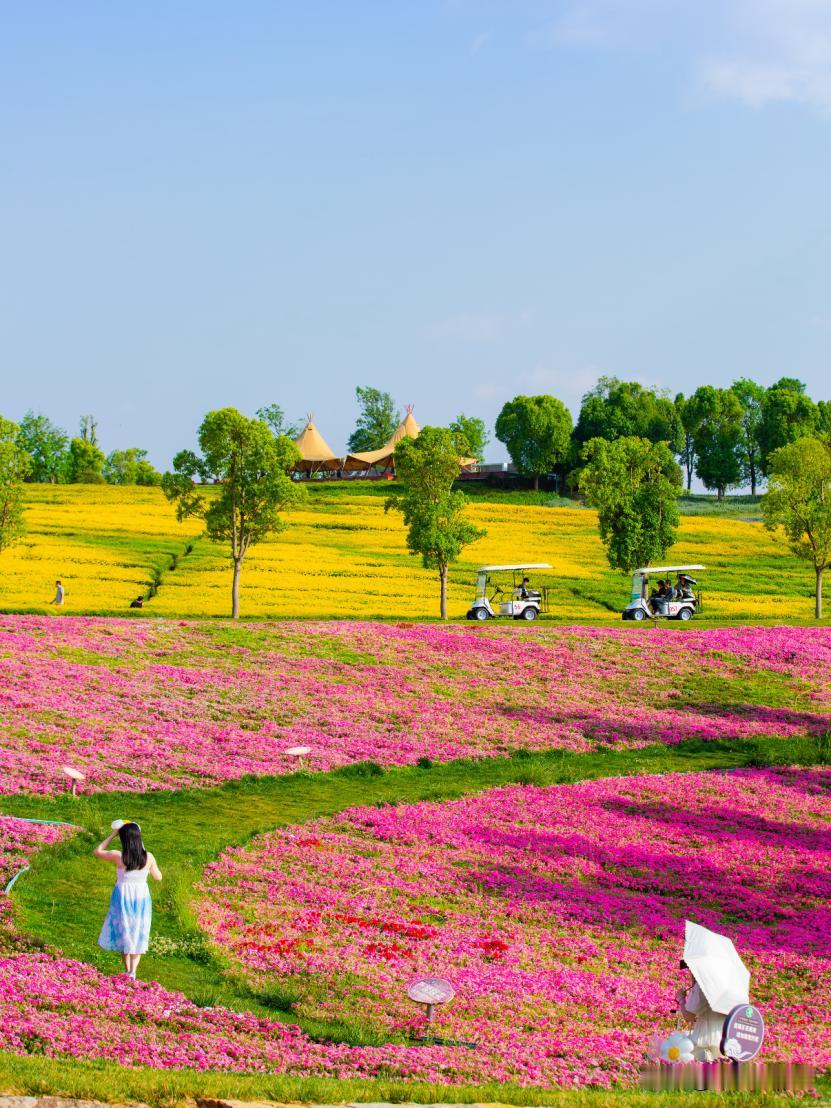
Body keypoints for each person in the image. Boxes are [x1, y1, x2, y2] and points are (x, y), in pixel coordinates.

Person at [94, 821, 162, 979]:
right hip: (141, 898)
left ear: (123, 838)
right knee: (138, 931)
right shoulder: (149, 857)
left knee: (124, 931)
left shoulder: (119, 856)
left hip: (123, 897)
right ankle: (133, 972)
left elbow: (97, 851)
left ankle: (128, 971)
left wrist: (112, 834)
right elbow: (158, 877)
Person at [676, 960, 724, 1061]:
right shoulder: (723, 985)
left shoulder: (702, 987)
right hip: (722, 1044)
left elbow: (689, 1016)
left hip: (702, 1044)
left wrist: (681, 999)